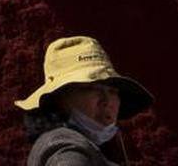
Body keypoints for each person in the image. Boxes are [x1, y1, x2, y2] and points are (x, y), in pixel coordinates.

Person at [15, 36, 155, 166]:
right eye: (91, 88)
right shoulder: (66, 146)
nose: (107, 100)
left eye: (112, 91)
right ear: (60, 98)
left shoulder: (87, 145)